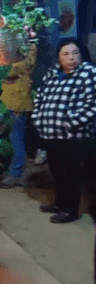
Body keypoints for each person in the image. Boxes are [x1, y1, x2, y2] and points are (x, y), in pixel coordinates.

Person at [32, 38, 96, 224]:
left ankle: (70, 210)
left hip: (74, 134)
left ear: (81, 54)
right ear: (59, 57)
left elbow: (92, 103)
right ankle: (60, 203)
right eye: (66, 54)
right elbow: (40, 97)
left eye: (75, 53)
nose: (71, 57)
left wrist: (71, 121)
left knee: (71, 172)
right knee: (57, 169)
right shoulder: (53, 74)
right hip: (51, 133)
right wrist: (38, 118)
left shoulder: (89, 73)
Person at [0, 44, 37, 189]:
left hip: (17, 99)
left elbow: (22, 66)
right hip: (4, 97)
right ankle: (10, 170)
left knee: (16, 138)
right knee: (9, 137)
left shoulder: (30, 44)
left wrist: (0, 68)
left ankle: (15, 174)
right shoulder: (8, 39)